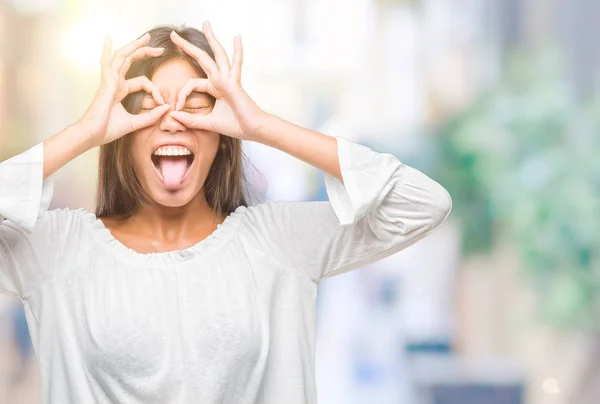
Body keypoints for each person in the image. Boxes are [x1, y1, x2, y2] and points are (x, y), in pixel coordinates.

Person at [0, 21, 452, 404]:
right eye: (150, 106)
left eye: (197, 107)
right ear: (122, 133)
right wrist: (82, 133)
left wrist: (263, 126)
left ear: (221, 137)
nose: (174, 120)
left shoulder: (277, 241)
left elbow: (420, 203)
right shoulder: (56, 252)